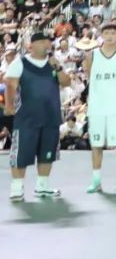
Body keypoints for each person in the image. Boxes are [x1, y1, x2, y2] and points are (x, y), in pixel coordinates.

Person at [6, 32, 71, 201]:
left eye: (48, 42)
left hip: (51, 117)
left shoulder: (54, 63)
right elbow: (10, 85)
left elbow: (66, 82)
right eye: (42, 42)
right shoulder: (20, 63)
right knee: (21, 155)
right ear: (32, 45)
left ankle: (42, 186)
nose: (46, 45)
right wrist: (9, 106)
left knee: (47, 154)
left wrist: (58, 67)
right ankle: (17, 188)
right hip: (27, 119)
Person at [84, 24, 116, 193]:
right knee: (96, 144)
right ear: (101, 35)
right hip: (97, 107)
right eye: (106, 33)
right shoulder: (91, 55)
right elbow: (89, 77)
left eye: (113, 33)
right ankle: (96, 181)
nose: (110, 36)